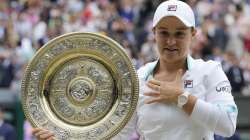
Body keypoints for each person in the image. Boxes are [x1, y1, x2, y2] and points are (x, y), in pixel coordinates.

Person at [32, 0, 238, 140]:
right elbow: (118, 135)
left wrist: (181, 97)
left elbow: (228, 125)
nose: (171, 41)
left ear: (193, 34)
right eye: (164, 32)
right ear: (153, 33)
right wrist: (63, 137)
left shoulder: (210, 71)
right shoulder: (138, 78)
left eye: (180, 34)